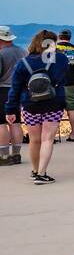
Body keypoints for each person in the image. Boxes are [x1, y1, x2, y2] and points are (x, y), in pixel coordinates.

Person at [4, 29, 72, 183]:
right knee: (47, 139)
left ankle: (35, 170)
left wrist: (10, 109)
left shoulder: (23, 63)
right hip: (54, 103)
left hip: (30, 104)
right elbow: (66, 77)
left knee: (34, 140)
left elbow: (15, 88)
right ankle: (42, 173)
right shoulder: (60, 59)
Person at [56, 29, 74, 142]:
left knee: (53, 110)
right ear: (70, 37)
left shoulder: (53, 49)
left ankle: (52, 135)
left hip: (56, 84)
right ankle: (73, 134)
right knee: (72, 108)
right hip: (70, 82)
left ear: (59, 37)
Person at [0, 26, 23, 166]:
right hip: (18, 90)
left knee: (1, 123)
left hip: (2, 90)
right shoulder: (23, 52)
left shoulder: (1, 54)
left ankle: (3, 156)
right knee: (15, 122)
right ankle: (16, 154)